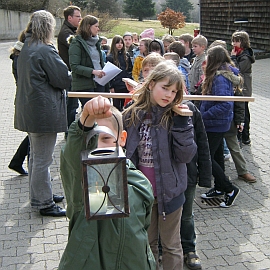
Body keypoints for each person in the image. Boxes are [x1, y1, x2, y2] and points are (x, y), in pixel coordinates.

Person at [58, 96, 156, 270]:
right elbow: (72, 155)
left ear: (122, 138)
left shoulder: (138, 182)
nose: (98, 147)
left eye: (105, 138)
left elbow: (144, 223)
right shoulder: (82, 180)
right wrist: (84, 121)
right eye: (91, 140)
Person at [123, 62, 197, 270]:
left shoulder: (177, 116)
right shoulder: (132, 114)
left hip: (171, 193)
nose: (169, 95)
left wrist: (183, 126)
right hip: (141, 194)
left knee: (172, 245)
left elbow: (186, 155)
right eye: (165, 88)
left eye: (174, 91)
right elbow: (125, 153)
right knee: (148, 244)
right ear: (150, 84)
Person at [14, 10, 72, 216]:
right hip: (43, 112)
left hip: (30, 109)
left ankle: (40, 193)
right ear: (48, 28)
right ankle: (43, 202)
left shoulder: (25, 46)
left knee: (36, 157)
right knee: (41, 160)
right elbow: (63, 79)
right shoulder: (45, 50)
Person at [199, 45, 240, 208]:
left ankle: (230, 189)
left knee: (206, 157)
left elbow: (224, 105)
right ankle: (219, 187)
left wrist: (203, 116)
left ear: (214, 59)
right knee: (216, 157)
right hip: (215, 123)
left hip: (215, 124)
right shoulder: (218, 75)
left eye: (208, 57)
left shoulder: (220, 78)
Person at [181, 101, 212, 270]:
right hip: (162, 176)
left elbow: (202, 142)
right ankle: (161, 248)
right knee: (161, 215)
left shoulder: (190, 109)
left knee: (186, 215)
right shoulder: (149, 109)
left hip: (188, 173)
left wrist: (205, 176)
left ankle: (189, 248)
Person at [68, 15, 109, 107]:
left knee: (101, 111)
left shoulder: (97, 42)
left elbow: (97, 62)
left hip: (100, 82)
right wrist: (93, 72)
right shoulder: (76, 43)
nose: (98, 29)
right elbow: (74, 66)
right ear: (88, 26)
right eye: (96, 26)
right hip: (85, 84)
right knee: (90, 112)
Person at [57, 5, 81, 136]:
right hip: (70, 73)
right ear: (69, 17)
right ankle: (69, 133)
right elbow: (77, 49)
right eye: (78, 16)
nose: (80, 18)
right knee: (71, 106)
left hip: (73, 73)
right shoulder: (66, 33)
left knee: (73, 105)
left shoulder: (71, 30)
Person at [8, 31, 29, 176]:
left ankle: (17, 161)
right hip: (28, 99)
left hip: (25, 98)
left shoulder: (18, 56)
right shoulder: (21, 58)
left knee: (34, 135)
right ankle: (17, 160)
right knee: (36, 136)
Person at [231, 30, 255, 145]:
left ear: (243, 42)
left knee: (244, 113)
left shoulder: (245, 57)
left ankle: (245, 136)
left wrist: (233, 58)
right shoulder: (239, 54)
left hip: (243, 89)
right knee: (242, 112)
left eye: (237, 41)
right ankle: (241, 135)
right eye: (233, 41)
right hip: (239, 87)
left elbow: (237, 70)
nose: (234, 44)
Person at [106, 35, 133, 111]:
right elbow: (108, 73)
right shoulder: (110, 57)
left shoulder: (126, 55)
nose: (120, 44)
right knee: (116, 107)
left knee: (126, 105)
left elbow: (130, 70)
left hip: (125, 84)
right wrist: (111, 86)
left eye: (121, 43)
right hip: (116, 85)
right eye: (117, 43)